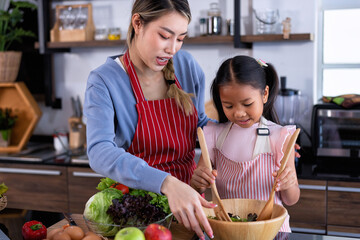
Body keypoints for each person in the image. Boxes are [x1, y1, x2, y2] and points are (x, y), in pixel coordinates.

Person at [83, 0, 215, 239]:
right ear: (138, 23)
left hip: (189, 208)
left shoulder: (187, 67)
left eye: (181, 38)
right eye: (165, 36)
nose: (173, 48)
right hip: (138, 219)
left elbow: (202, 125)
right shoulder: (104, 81)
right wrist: (167, 183)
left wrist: (254, 133)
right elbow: (99, 151)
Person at [190, 56, 300, 232]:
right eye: (229, 106)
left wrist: (289, 184)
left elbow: (291, 199)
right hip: (228, 231)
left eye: (247, 104)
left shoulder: (280, 137)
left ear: (264, 94)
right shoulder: (213, 136)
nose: (239, 113)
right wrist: (197, 182)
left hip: (272, 232)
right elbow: (198, 187)